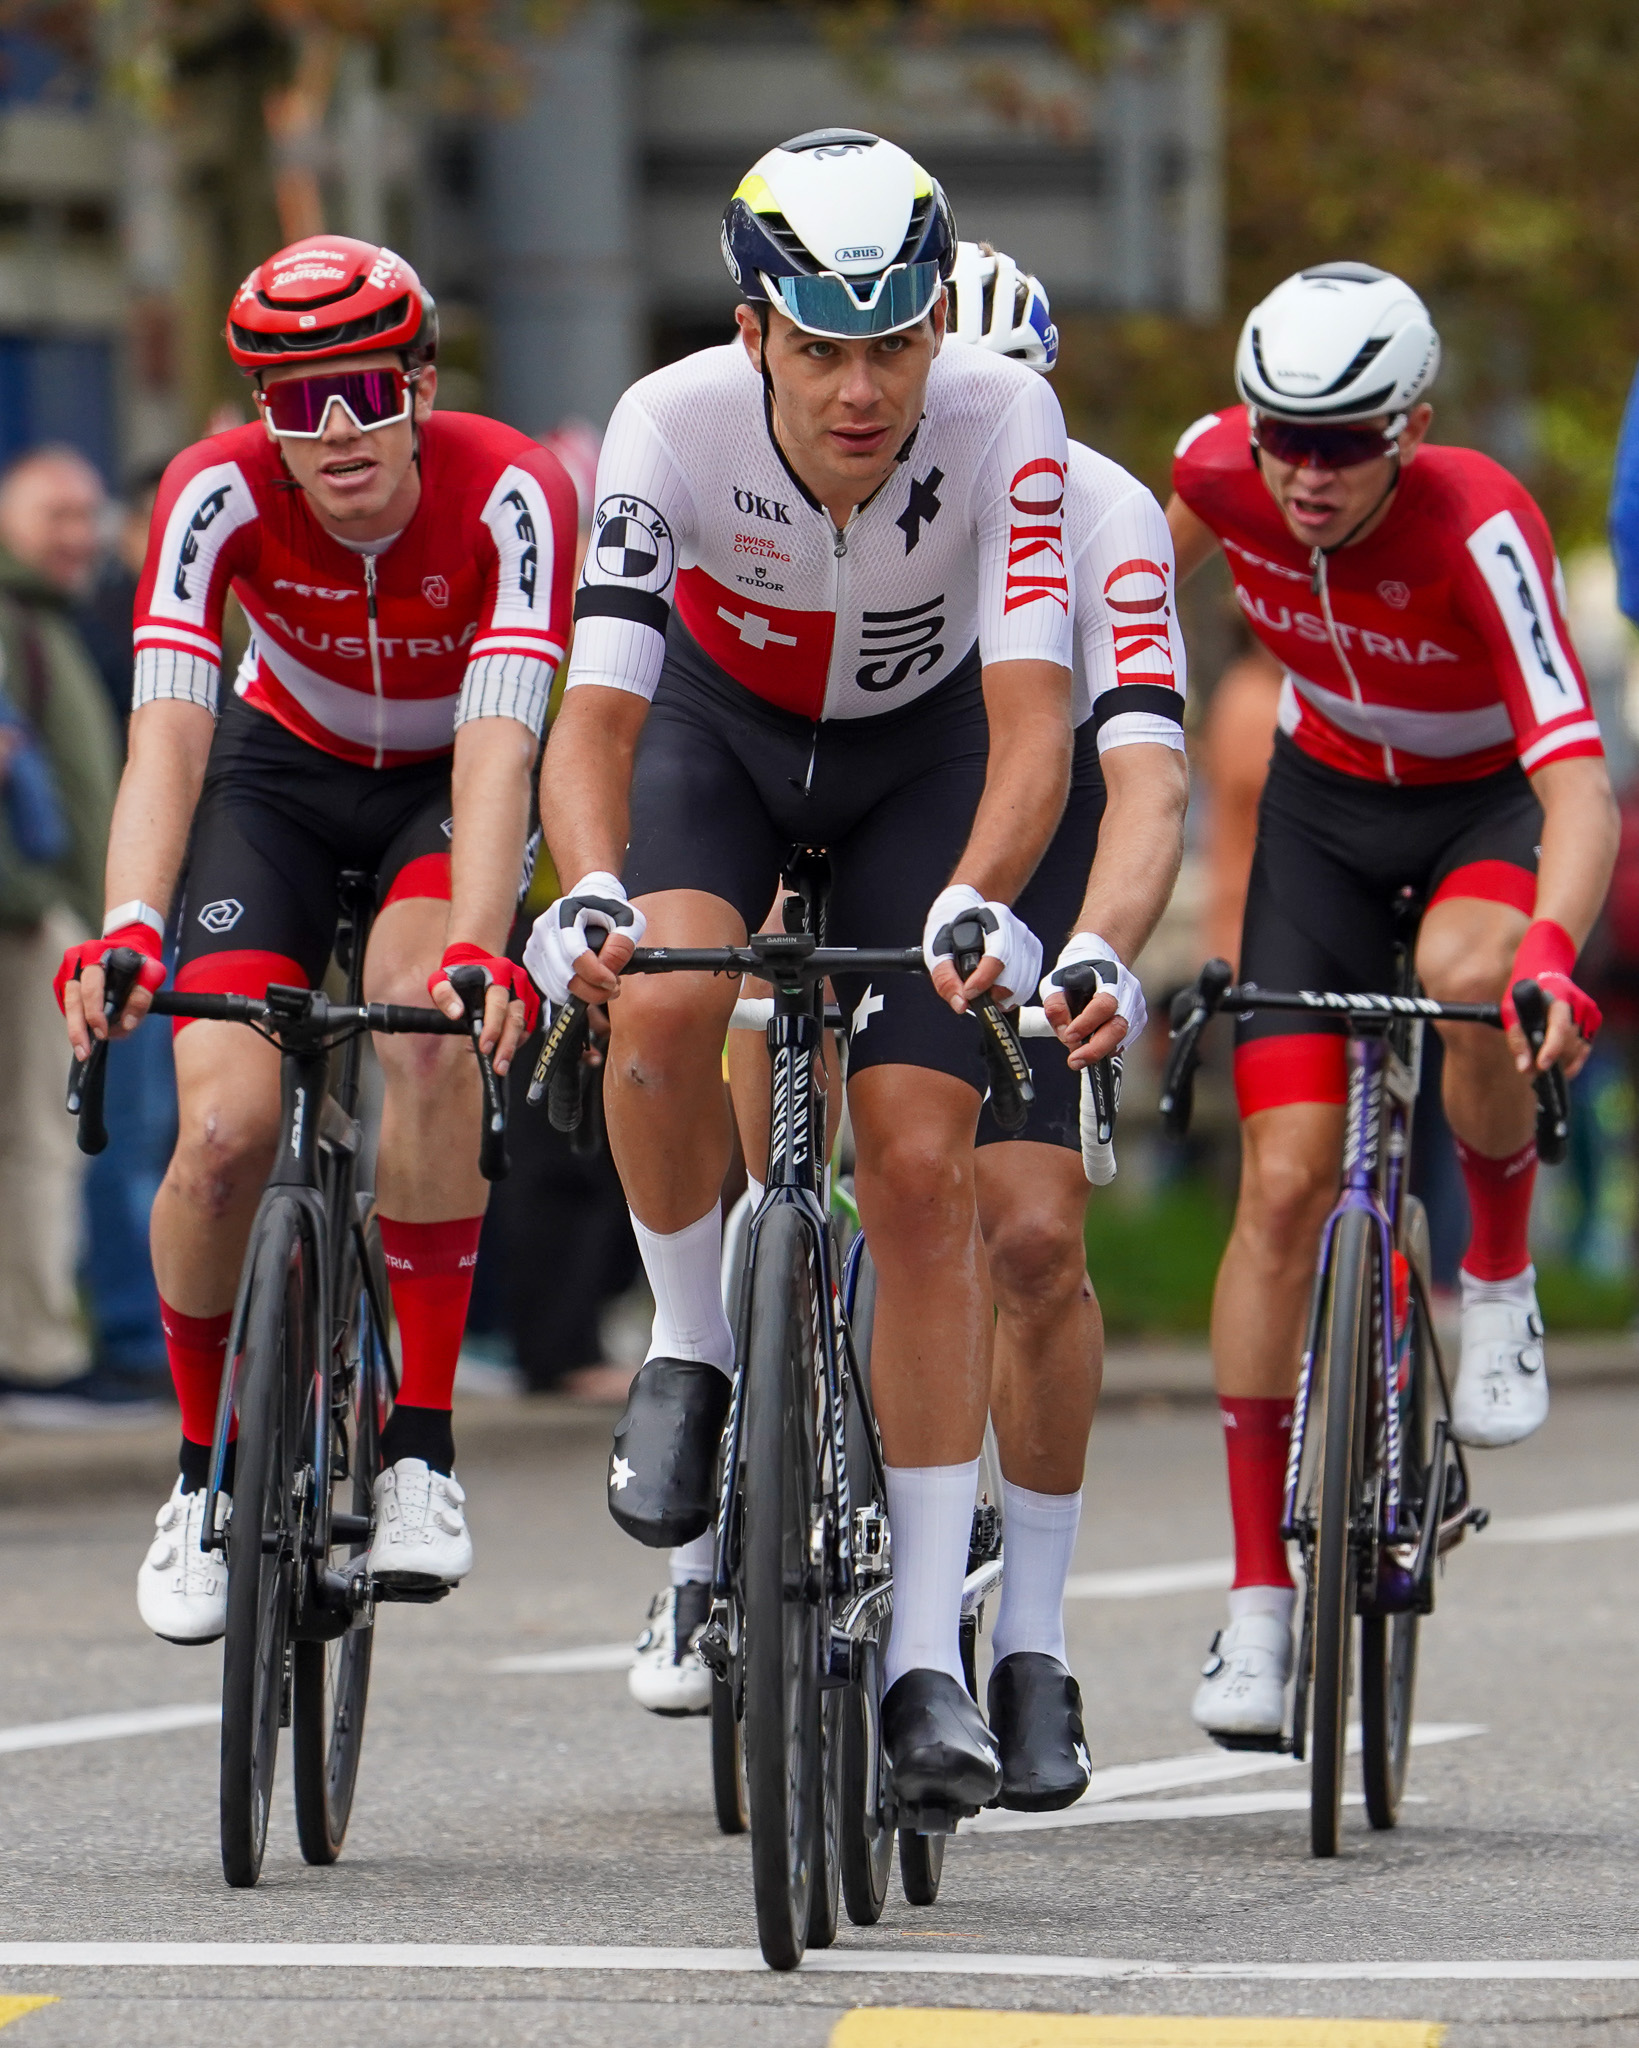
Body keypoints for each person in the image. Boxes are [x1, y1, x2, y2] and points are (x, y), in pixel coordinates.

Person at [526, 131, 1094, 1814]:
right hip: (724, 734)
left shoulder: (1008, 420)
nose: (861, 389)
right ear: (751, 326)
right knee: (666, 994)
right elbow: (600, 717)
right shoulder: (668, 421)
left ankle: (928, 1653)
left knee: (919, 1164)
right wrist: (592, 889)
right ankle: (693, 1346)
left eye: (895, 344)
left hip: (926, 769)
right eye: (823, 347)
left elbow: (1030, 721)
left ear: (937, 328)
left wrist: (978, 898)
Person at [625, 239, 1189, 1812]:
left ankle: (1025, 1636)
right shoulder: (743, 446)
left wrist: (1093, 949)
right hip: (809, 781)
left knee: (1016, 1232)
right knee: (747, 1047)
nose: (885, 406)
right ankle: (748, 1432)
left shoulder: (1091, 509)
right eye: (839, 364)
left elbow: (1137, 778)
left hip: (1030, 832)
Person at [56, 235, 577, 1644]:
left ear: (417, 382)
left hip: (437, 789)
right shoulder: (209, 494)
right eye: (296, 401)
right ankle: (198, 1478)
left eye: (362, 390)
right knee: (221, 1133)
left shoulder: (513, 489)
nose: (336, 432)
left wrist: (481, 945)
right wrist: (123, 926)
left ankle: (417, 1448)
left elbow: (497, 746)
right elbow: (167, 733)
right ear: (256, 417)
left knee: (420, 1027)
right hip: (275, 778)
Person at [1167, 262, 1617, 1742]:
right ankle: (1252, 1604)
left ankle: (1492, 1275)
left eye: (1341, 443)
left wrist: (1553, 945)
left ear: (1407, 429)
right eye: (1277, 436)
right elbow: (1118, 600)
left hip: (1481, 808)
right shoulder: (1211, 473)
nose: (1300, 473)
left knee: (1464, 981)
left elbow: (1573, 778)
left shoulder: (1478, 520)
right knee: (1280, 1188)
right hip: (1319, 811)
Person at [0, 449, 123, 1414]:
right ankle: (37, 1354)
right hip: (25, 927)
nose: (78, 534)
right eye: (56, 514)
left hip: (57, 923)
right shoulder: (14, 621)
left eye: (89, 514)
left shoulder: (46, 618)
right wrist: (31, 897)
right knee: (39, 1138)